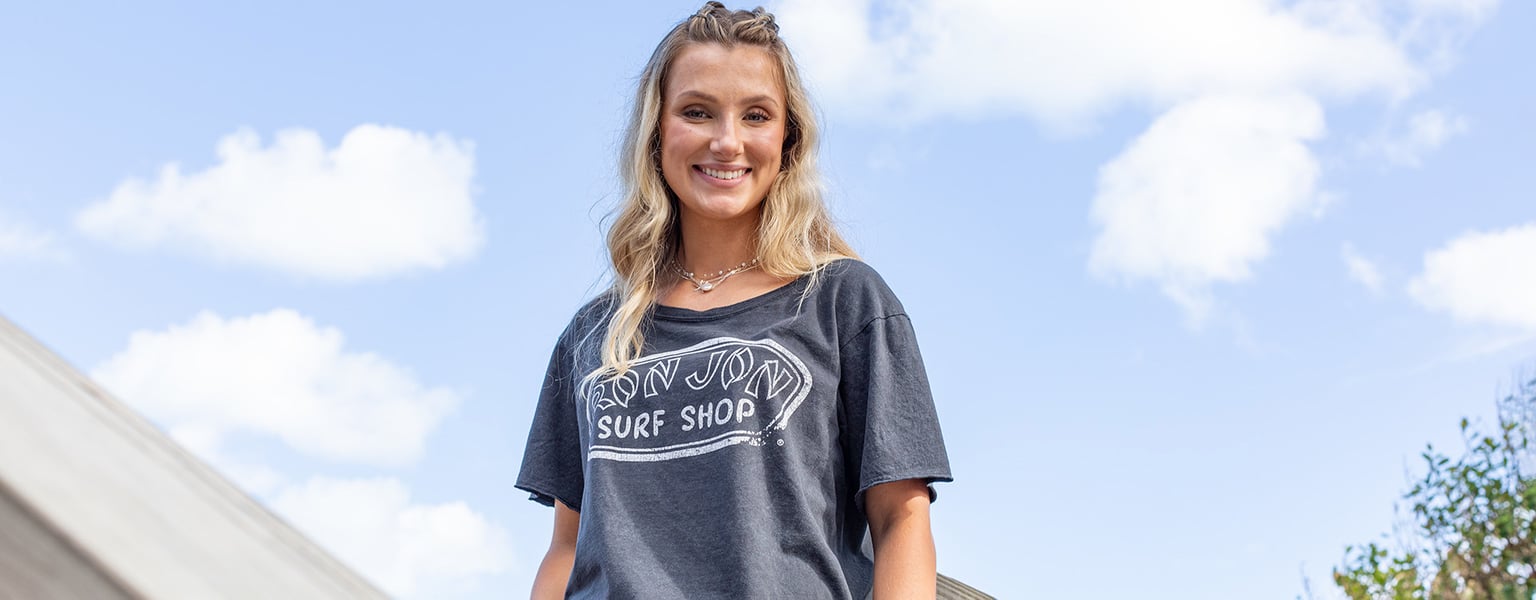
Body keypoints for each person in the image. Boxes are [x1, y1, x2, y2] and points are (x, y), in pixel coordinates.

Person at [516, 3, 951, 598]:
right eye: (697, 112)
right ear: (657, 132)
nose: (727, 142)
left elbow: (901, 519)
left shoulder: (845, 302)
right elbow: (566, 545)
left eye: (755, 115)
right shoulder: (593, 334)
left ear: (787, 139)